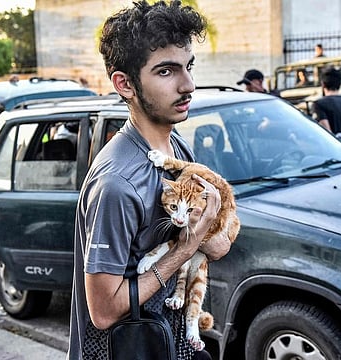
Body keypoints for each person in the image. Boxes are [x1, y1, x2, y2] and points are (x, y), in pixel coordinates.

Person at [67, 1, 231, 359]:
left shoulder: (177, 148)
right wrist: (186, 249)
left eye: (188, 66)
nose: (188, 84)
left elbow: (219, 246)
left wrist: (207, 229)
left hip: (171, 343)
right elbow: (104, 311)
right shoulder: (117, 183)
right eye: (166, 71)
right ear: (124, 83)